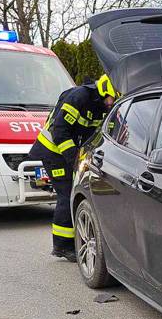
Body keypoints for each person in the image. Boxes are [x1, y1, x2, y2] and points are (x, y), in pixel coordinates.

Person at [29, 74, 118, 261]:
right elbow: (60, 130)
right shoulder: (79, 97)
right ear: (104, 92)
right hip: (53, 151)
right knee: (67, 193)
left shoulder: (104, 105)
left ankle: (72, 242)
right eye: (111, 99)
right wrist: (74, 160)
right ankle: (62, 246)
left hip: (70, 152)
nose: (111, 104)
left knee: (73, 192)